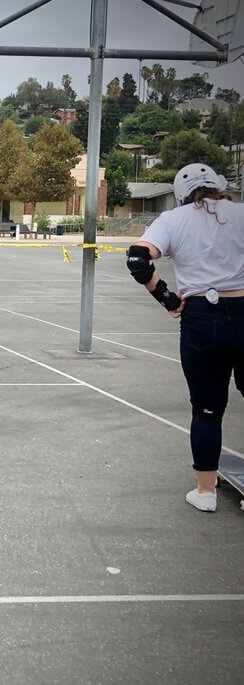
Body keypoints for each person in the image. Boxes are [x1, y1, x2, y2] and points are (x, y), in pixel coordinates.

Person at [127, 162, 244, 513]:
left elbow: (137, 259)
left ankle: (205, 492)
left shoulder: (173, 220)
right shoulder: (239, 213)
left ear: (180, 193)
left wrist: (167, 298)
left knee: (207, 409)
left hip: (202, 319)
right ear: (220, 186)